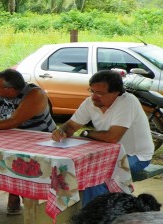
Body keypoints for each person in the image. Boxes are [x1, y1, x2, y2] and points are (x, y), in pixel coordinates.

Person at [51, 70, 154, 207]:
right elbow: (71, 126)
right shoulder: (90, 102)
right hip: (106, 155)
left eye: (99, 93)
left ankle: (96, 216)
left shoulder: (128, 102)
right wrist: (61, 131)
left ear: (116, 93)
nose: (94, 96)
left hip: (135, 157)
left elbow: (112, 137)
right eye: (92, 91)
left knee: (97, 179)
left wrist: (88, 133)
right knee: (67, 169)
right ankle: (93, 213)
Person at [0, 68, 56, 215]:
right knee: (9, 163)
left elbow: (14, 121)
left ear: (11, 90)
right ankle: (14, 194)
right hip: (12, 136)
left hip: (41, 138)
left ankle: (28, 203)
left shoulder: (35, 94)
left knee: (27, 167)